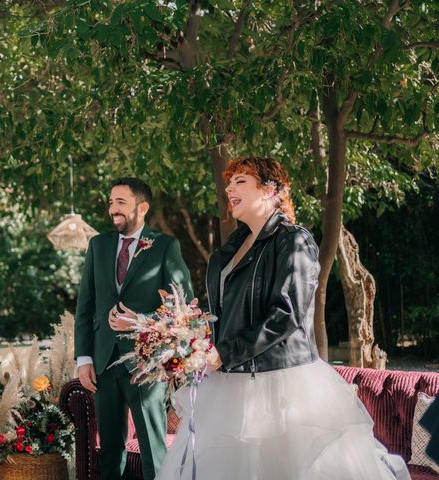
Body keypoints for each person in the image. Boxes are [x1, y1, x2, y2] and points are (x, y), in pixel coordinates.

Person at [150, 157, 410, 479]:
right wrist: (189, 342)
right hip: (230, 381)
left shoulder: (294, 240)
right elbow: (223, 315)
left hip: (283, 383)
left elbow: (286, 314)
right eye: (229, 183)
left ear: (271, 190)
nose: (229, 187)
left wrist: (224, 353)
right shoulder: (230, 249)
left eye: (241, 181)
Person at [75, 177, 193, 480]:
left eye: (121, 202)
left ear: (142, 208)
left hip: (145, 363)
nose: (113, 208)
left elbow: (183, 305)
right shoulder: (97, 245)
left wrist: (139, 321)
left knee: (154, 449)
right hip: (103, 362)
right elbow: (86, 305)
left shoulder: (165, 246)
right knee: (110, 452)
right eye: (111, 201)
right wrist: (84, 358)